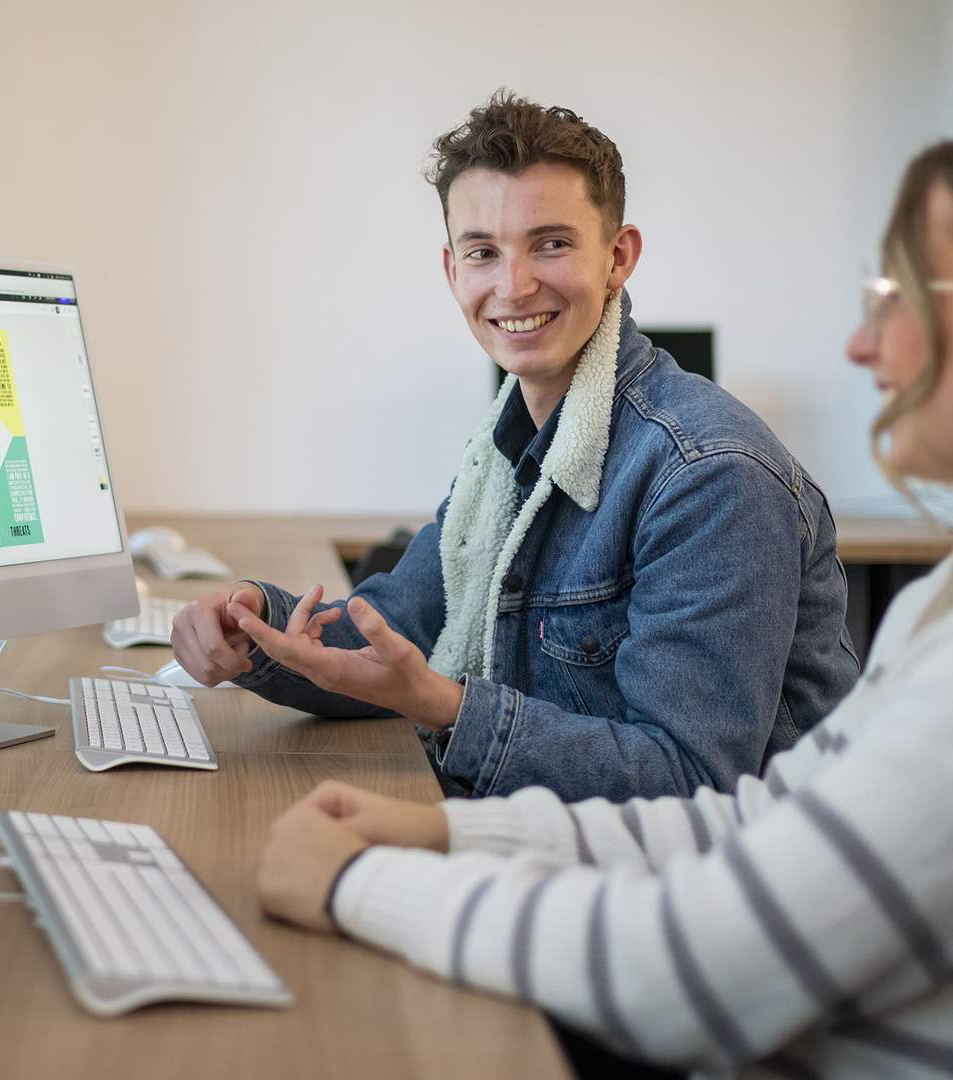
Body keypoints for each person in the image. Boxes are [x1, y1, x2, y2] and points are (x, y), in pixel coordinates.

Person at [252, 102, 953, 1077]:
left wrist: (357, 887)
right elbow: (759, 823)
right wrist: (447, 836)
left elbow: (699, 978)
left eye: (905, 294)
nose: (864, 342)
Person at [170, 92, 857, 801]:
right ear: (452, 271)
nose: (513, 284)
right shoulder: (505, 453)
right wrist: (255, 622)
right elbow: (396, 635)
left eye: (551, 244)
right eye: (483, 252)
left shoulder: (710, 475)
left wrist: (446, 707)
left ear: (618, 257)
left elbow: (687, 780)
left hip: (700, 891)